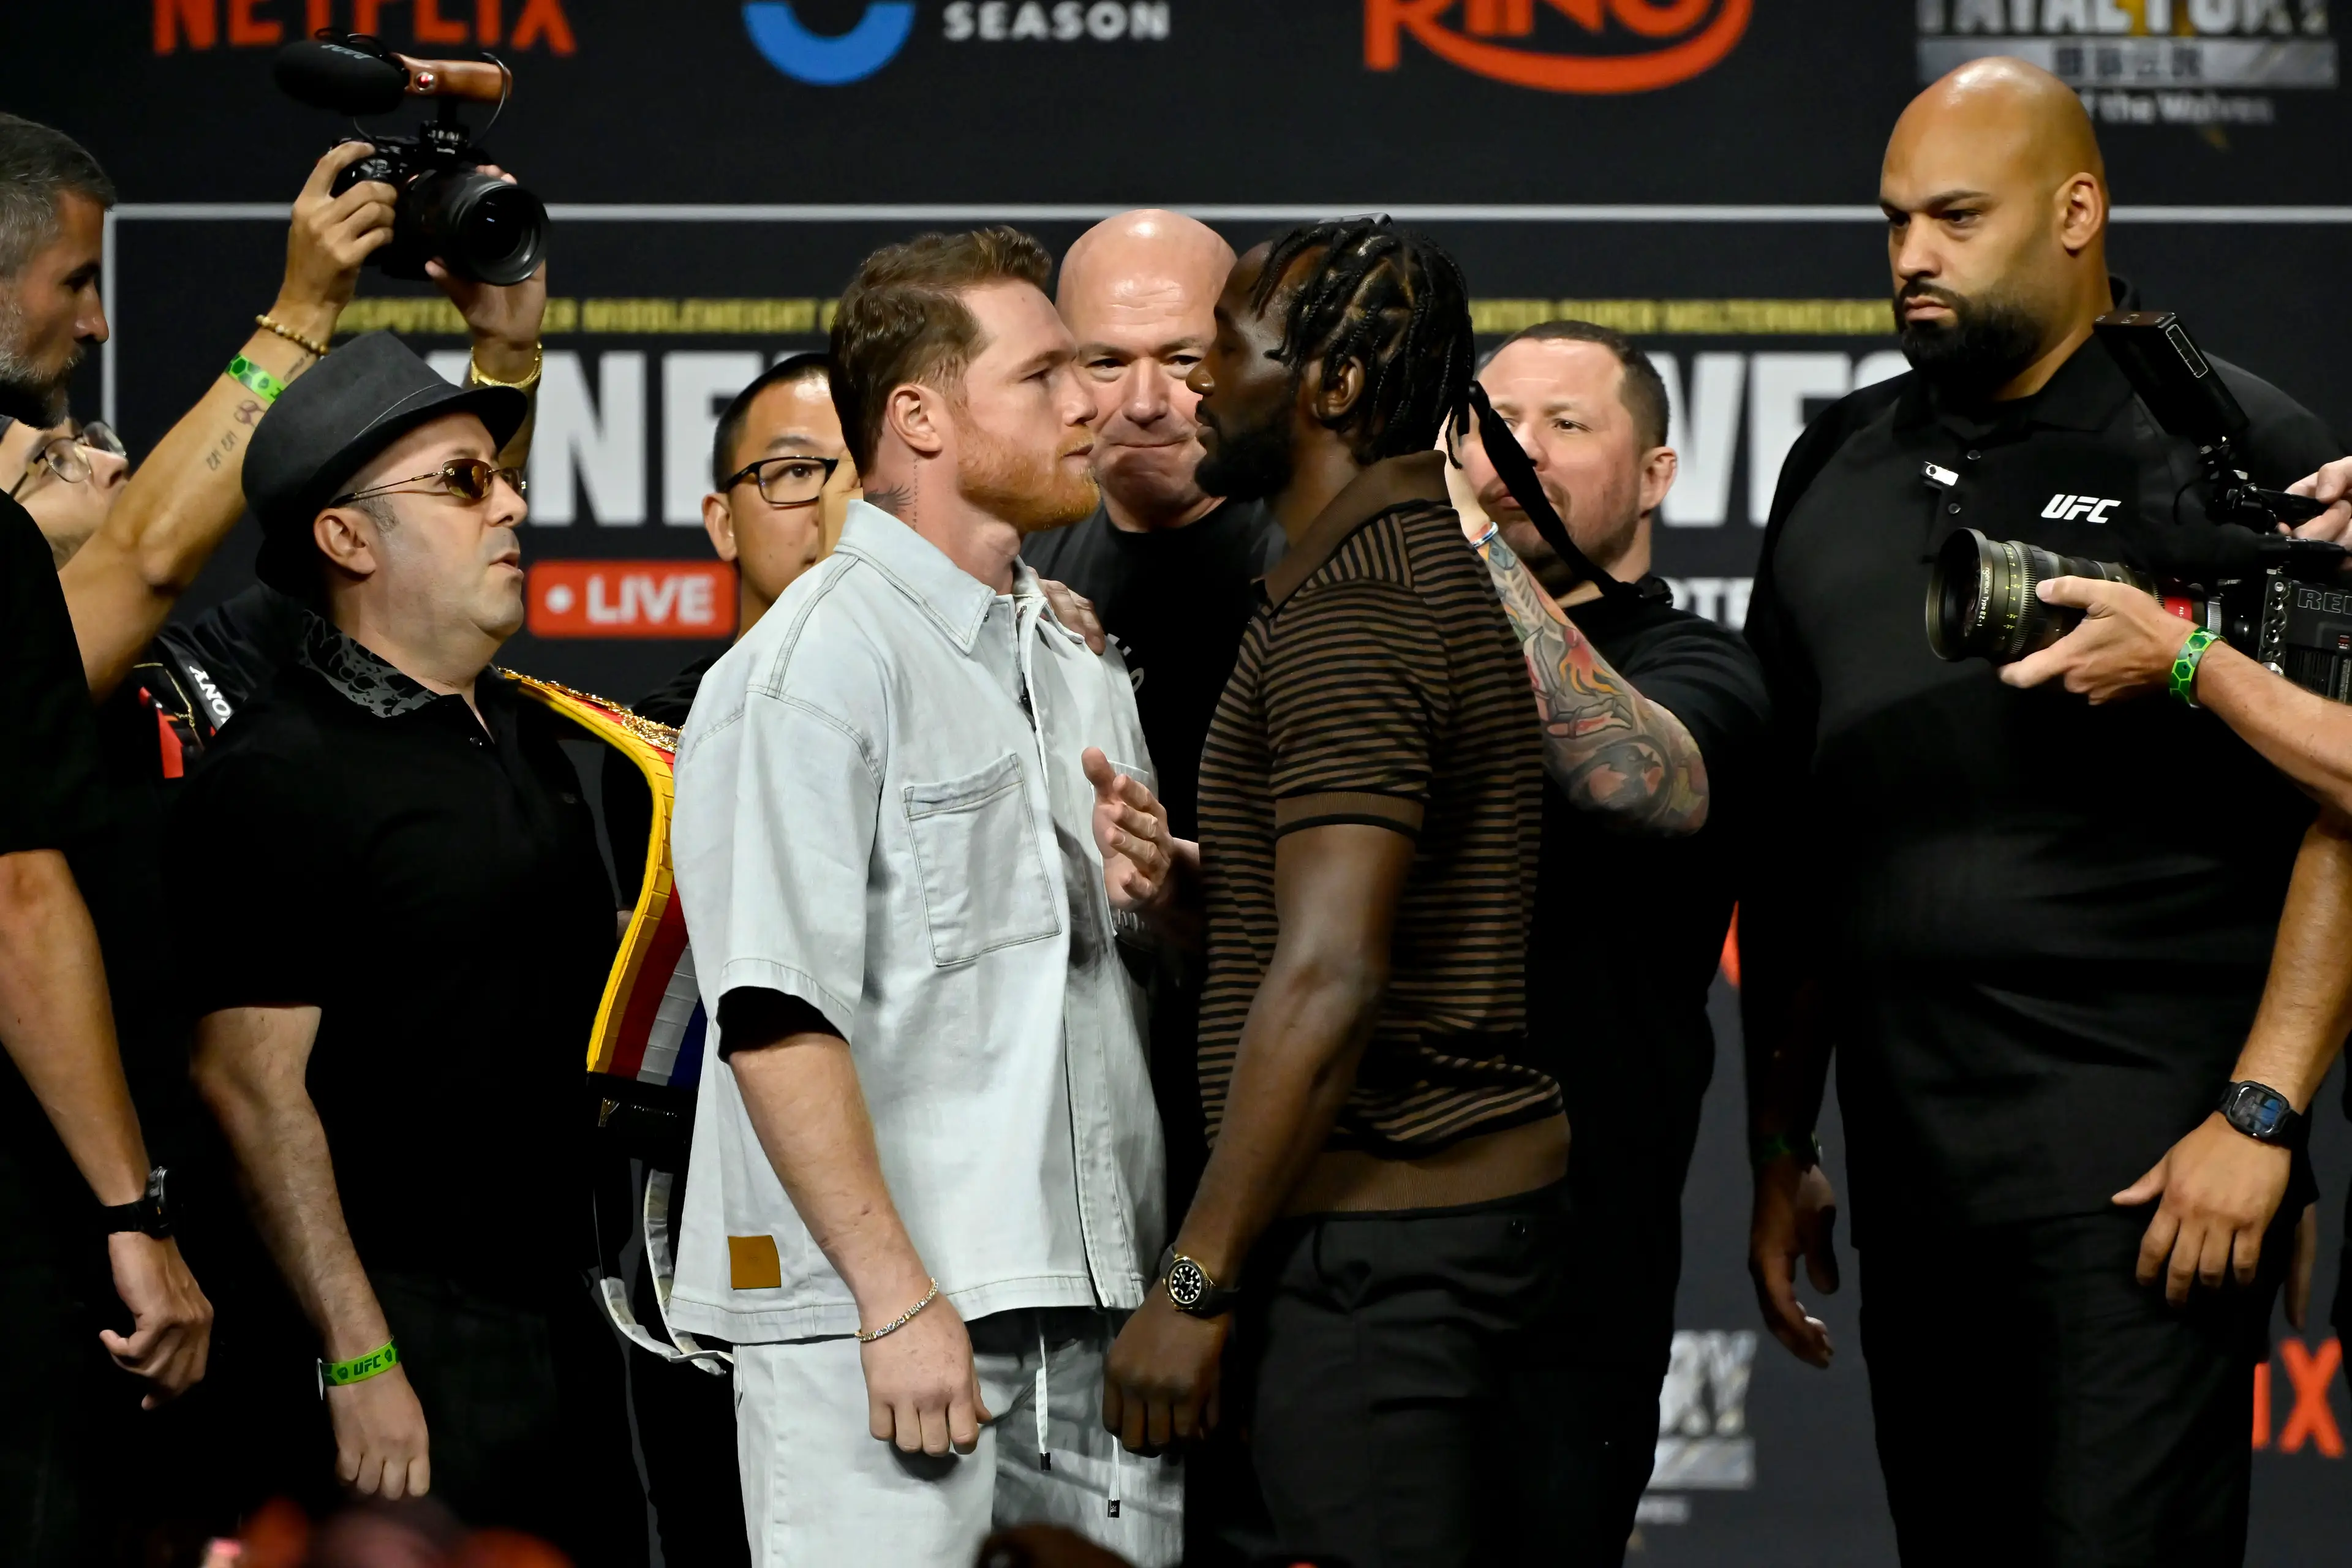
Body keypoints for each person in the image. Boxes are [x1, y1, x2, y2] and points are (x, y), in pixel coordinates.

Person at [1740, 58, 2345, 1567]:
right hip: (1914, 1176)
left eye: (1955, 216)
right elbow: (1801, 834)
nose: (1911, 258)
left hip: (2147, 1178)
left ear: (2078, 211)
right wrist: (1777, 1136)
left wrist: (2267, 1113)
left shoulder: (2236, 450)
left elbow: (2351, 786)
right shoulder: (1832, 462)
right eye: (1892, 224)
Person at [664, 227, 1183, 1567]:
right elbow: (772, 1010)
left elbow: (1093, 982)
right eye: (1046, 375)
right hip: (887, 1331)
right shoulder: (807, 671)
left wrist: (1168, 901)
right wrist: (891, 1300)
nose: (1090, 405)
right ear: (920, 417)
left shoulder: (1076, 658)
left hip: (1095, 1312)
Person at [1099, 217, 1572, 1568]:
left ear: (1334, 388)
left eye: (1228, 351)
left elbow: (1334, 974)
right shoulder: (1412, 570)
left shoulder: (1356, 611)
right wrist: (1226, 895)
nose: (1196, 388)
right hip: (1445, 1235)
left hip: (1387, 1259)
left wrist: (1194, 1278)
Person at [173, 333, 645, 1564]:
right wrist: (360, 1346)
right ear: (347, 539)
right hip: (406, 1328)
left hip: (566, 1309)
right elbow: (246, 1081)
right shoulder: (281, 773)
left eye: (502, 475)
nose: (516, 504)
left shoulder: (521, 735)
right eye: (465, 481)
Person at [1448, 320, 1770, 1564]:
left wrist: (1463, 531)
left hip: (1574, 1281)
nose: (1518, 456)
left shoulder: (1705, 667)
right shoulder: (1400, 654)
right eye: (1493, 426)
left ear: (1659, 473)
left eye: (1566, 426)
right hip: (1373, 1251)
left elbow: (1632, 777)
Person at [1, 112, 214, 1568]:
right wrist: (129, 1210)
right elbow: (15, 890)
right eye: (74, 278)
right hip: (35, 1228)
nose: (99, 321)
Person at [1025, 208, 1284, 1262]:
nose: (1141, 403)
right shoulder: (1017, 566)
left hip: (1285, 1110)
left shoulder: (1324, 553)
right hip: (1081, 1113)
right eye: (1103, 361)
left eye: (1182, 359)